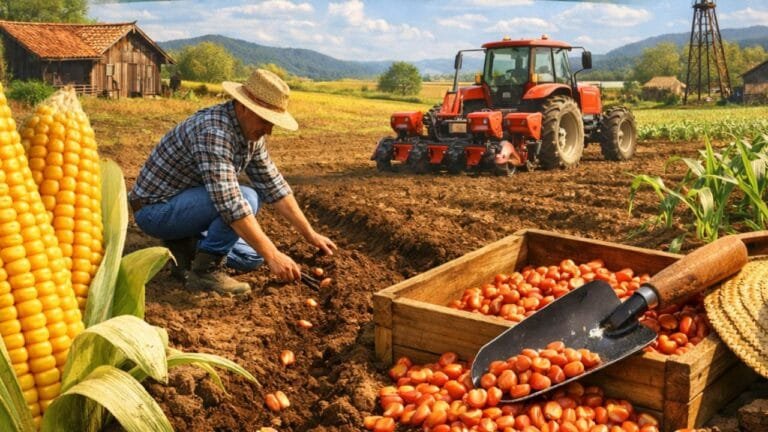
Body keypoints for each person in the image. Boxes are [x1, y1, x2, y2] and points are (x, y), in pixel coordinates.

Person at [128, 69, 337, 295]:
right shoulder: (214, 131)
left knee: (252, 256)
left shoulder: (249, 134)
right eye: (265, 120)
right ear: (244, 107)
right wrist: (274, 255)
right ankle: (204, 273)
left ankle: (183, 248)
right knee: (247, 198)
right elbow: (230, 204)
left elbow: (274, 185)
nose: (269, 130)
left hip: (186, 206)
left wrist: (310, 234)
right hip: (156, 210)